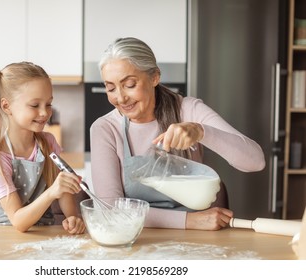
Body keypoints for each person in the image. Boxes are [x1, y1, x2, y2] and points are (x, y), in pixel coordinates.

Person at [90, 37, 266, 231]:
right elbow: (112, 208)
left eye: (130, 85)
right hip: (137, 236)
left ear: (154, 77)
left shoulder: (188, 110)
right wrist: (189, 221)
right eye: (111, 88)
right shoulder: (105, 129)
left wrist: (201, 131)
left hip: (196, 238)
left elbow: (255, 161)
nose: (121, 97)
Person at [0, 61, 85, 234]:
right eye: (35, 105)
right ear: (6, 106)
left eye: (48, 104)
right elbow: (18, 222)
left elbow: (62, 188)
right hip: (1, 234)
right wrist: (51, 193)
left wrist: (73, 217)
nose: (45, 113)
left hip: (39, 231)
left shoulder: (48, 143)